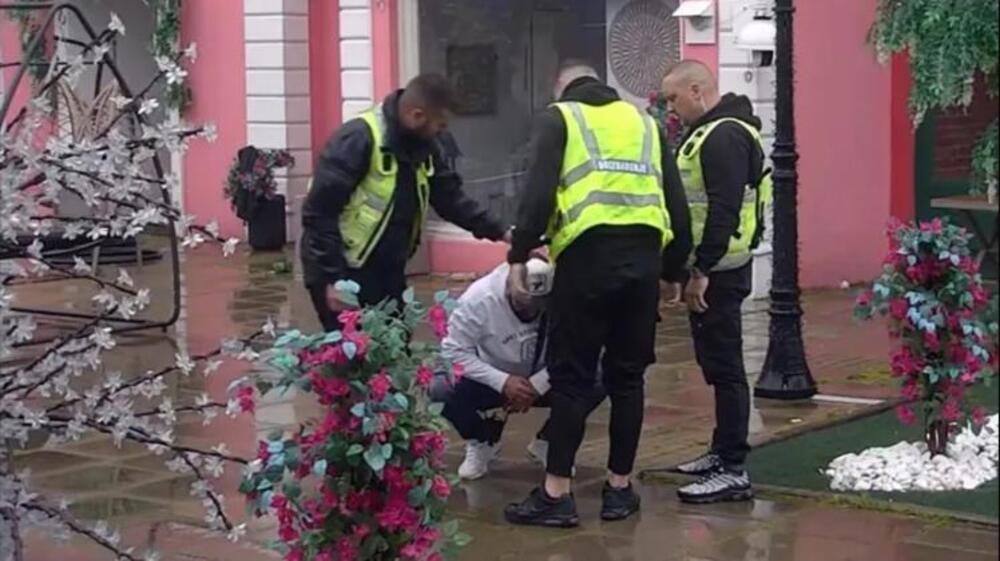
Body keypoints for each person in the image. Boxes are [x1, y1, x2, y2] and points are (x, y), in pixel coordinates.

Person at [503, 61, 692, 527]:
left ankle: (556, 494)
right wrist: (675, 270)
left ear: (564, 90)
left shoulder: (561, 117)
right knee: (628, 379)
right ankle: (619, 490)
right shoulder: (646, 124)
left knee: (572, 378)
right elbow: (676, 203)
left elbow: (537, 194)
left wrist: (519, 252)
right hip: (644, 264)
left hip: (586, 263)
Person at [300, 74, 510, 331]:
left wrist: (503, 231)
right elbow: (319, 213)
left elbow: (451, 200)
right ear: (417, 115)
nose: (442, 132)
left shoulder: (424, 146)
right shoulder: (358, 139)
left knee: (395, 348)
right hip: (343, 268)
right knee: (353, 358)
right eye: (440, 125)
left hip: (387, 269)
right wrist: (332, 280)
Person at [660, 60, 772, 504]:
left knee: (725, 368)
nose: (670, 108)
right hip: (713, 268)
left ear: (696, 90)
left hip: (719, 271)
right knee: (716, 363)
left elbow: (723, 209)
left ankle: (732, 469)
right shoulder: (713, 131)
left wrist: (701, 270)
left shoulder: (723, 135)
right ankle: (721, 451)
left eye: (673, 98)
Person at [436, 258, 606, 481]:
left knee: (602, 375)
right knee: (439, 387)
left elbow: (580, 348)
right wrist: (502, 381)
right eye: (521, 306)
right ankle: (482, 439)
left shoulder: (568, 293)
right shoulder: (478, 299)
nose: (530, 313)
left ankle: (551, 441)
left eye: (539, 306)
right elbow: (453, 351)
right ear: (508, 286)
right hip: (491, 376)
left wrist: (537, 384)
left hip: (550, 377)